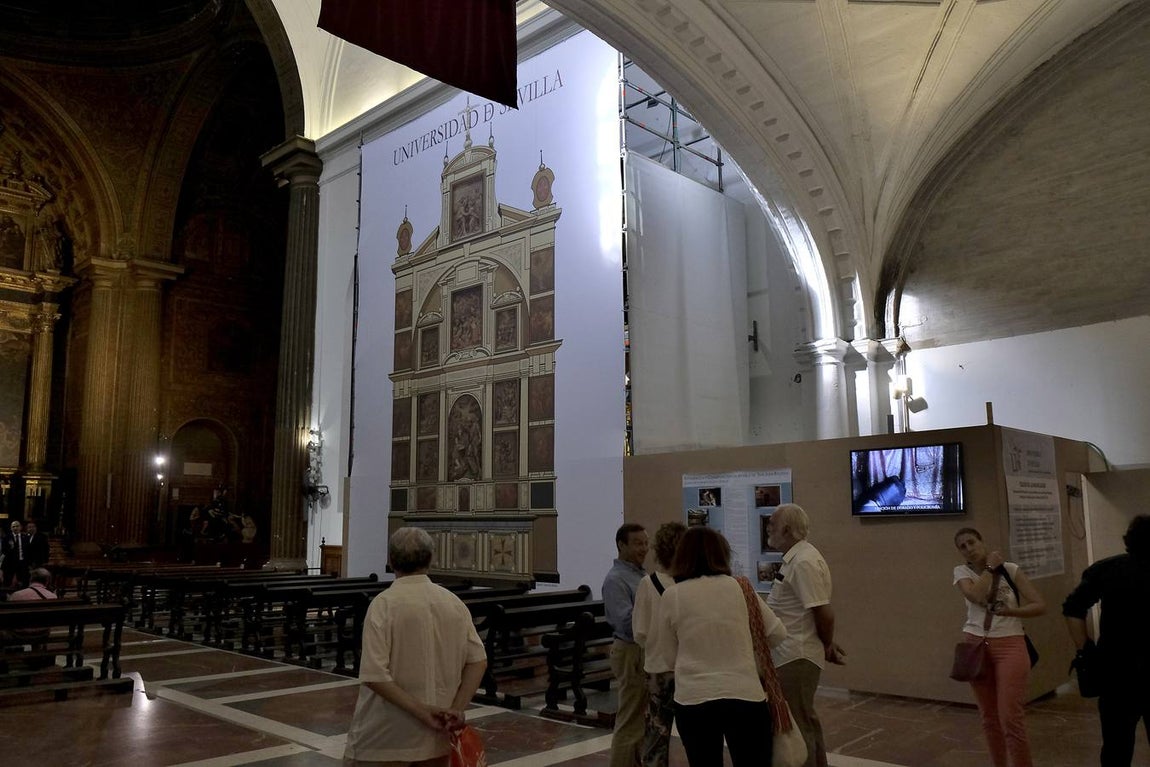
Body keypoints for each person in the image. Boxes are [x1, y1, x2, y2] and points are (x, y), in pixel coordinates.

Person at [343, 527, 487, 767]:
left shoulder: (384, 605)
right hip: (436, 739)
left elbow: (374, 675)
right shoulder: (453, 603)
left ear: (390, 560)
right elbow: (477, 661)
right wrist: (456, 710)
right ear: (431, 559)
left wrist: (422, 712)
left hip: (385, 738)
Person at [656, 525, 786, 766]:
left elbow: (668, 657)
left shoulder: (672, 596)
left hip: (694, 698)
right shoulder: (740, 587)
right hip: (744, 694)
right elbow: (778, 633)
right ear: (722, 554)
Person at [953, 527, 1046, 767]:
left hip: (1011, 643)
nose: (969, 549)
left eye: (971, 542)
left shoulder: (1011, 570)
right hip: (976, 643)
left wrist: (1011, 611)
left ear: (982, 541)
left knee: (1010, 717)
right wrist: (989, 568)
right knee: (989, 717)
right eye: (962, 546)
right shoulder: (961, 572)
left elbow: (1038, 605)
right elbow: (974, 595)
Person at [1062, 514, 1150, 767]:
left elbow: (1073, 608)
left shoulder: (1106, 569)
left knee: (1116, 747)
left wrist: (1085, 650)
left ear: (1128, 540)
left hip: (1116, 670)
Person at [765, 504, 846, 767]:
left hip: (795, 655)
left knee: (798, 727)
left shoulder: (803, 562)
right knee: (805, 722)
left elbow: (824, 612)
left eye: (772, 526)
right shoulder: (796, 558)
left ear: (786, 530)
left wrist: (827, 645)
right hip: (790, 654)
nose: (768, 530)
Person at [633, 521, 686, 767]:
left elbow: (640, 632)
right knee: (693, 736)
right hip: (687, 670)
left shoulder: (648, 583)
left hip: (657, 669)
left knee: (656, 734)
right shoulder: (690, 584)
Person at [602, 522, 649, 767]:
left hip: (643, 651)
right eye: (638, 543)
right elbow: (627, 622)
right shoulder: (616, 579)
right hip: (631, 651)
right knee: (629, 720)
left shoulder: (640, 574)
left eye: (645, 543)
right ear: (622, 545)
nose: (644, 548)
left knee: (641, 721)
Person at [1, 519, 29, 588]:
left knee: (23, 582)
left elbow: (28, 551)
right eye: (13, 526)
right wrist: (11, 547)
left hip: (22, 562)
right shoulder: (6, 538)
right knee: (7, 582)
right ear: (11, 528)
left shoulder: (25, 537)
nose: (15, 528)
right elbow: (4, 551)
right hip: (10, 563)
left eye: (17, 526)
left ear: (21, 527)